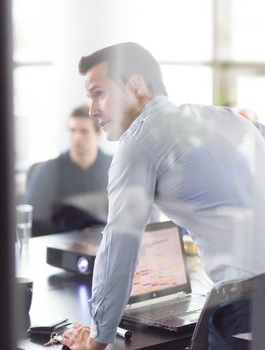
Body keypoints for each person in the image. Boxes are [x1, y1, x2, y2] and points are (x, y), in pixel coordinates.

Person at [61, 43, 265, 350]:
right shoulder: (226, 118)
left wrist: (95, 340)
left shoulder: (139, 141)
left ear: (136, 85)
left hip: (248, 308)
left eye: (99, 93)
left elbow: (119, 246)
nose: (92, 110)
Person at [25, 105, 112, 236]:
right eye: (72, 130)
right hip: (61, 246)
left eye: (83, 131)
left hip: (106, 245)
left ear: (98, 134)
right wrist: (77, 234)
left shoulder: (114, 167)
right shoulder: (49, 170)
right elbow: (33, 222)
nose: (77, 137)